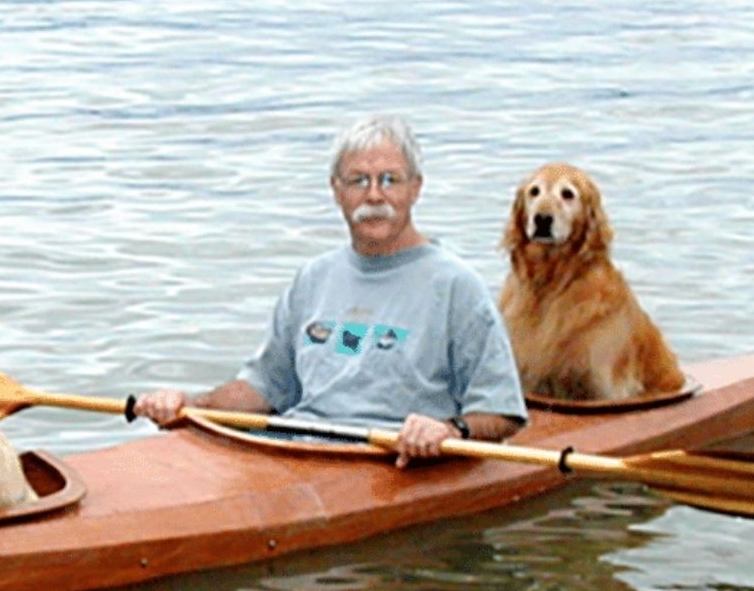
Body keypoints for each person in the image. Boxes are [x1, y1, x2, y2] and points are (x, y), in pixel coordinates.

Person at [135, 114, 527, 467]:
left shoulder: (457, 286)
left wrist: (451, 430)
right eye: (359, 181)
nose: (374, 195)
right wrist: (190, 405)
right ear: (337, 191)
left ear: (415, 189)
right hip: (298, 448)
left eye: (390, 180)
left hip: (391, 460)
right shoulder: (312, 278)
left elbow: (501, 412)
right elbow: (261, 390)